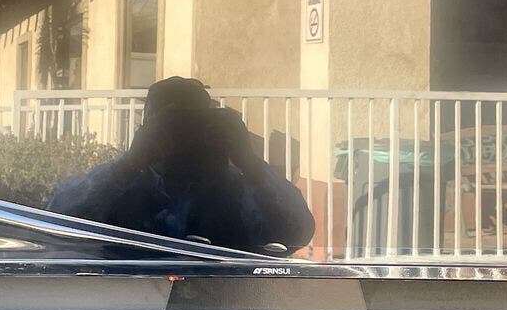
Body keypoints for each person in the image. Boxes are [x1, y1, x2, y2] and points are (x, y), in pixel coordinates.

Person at [50, 77, 314, 254]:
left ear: (215, 128)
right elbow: (56, 228)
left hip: (220, 305)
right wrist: (130, 163)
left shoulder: (241, 190)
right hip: (134, 304)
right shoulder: (121, 184)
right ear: (145, 130)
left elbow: (298, 234)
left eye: (195, 124)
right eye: (171, 124)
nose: (184, 135)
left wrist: (248, 161)